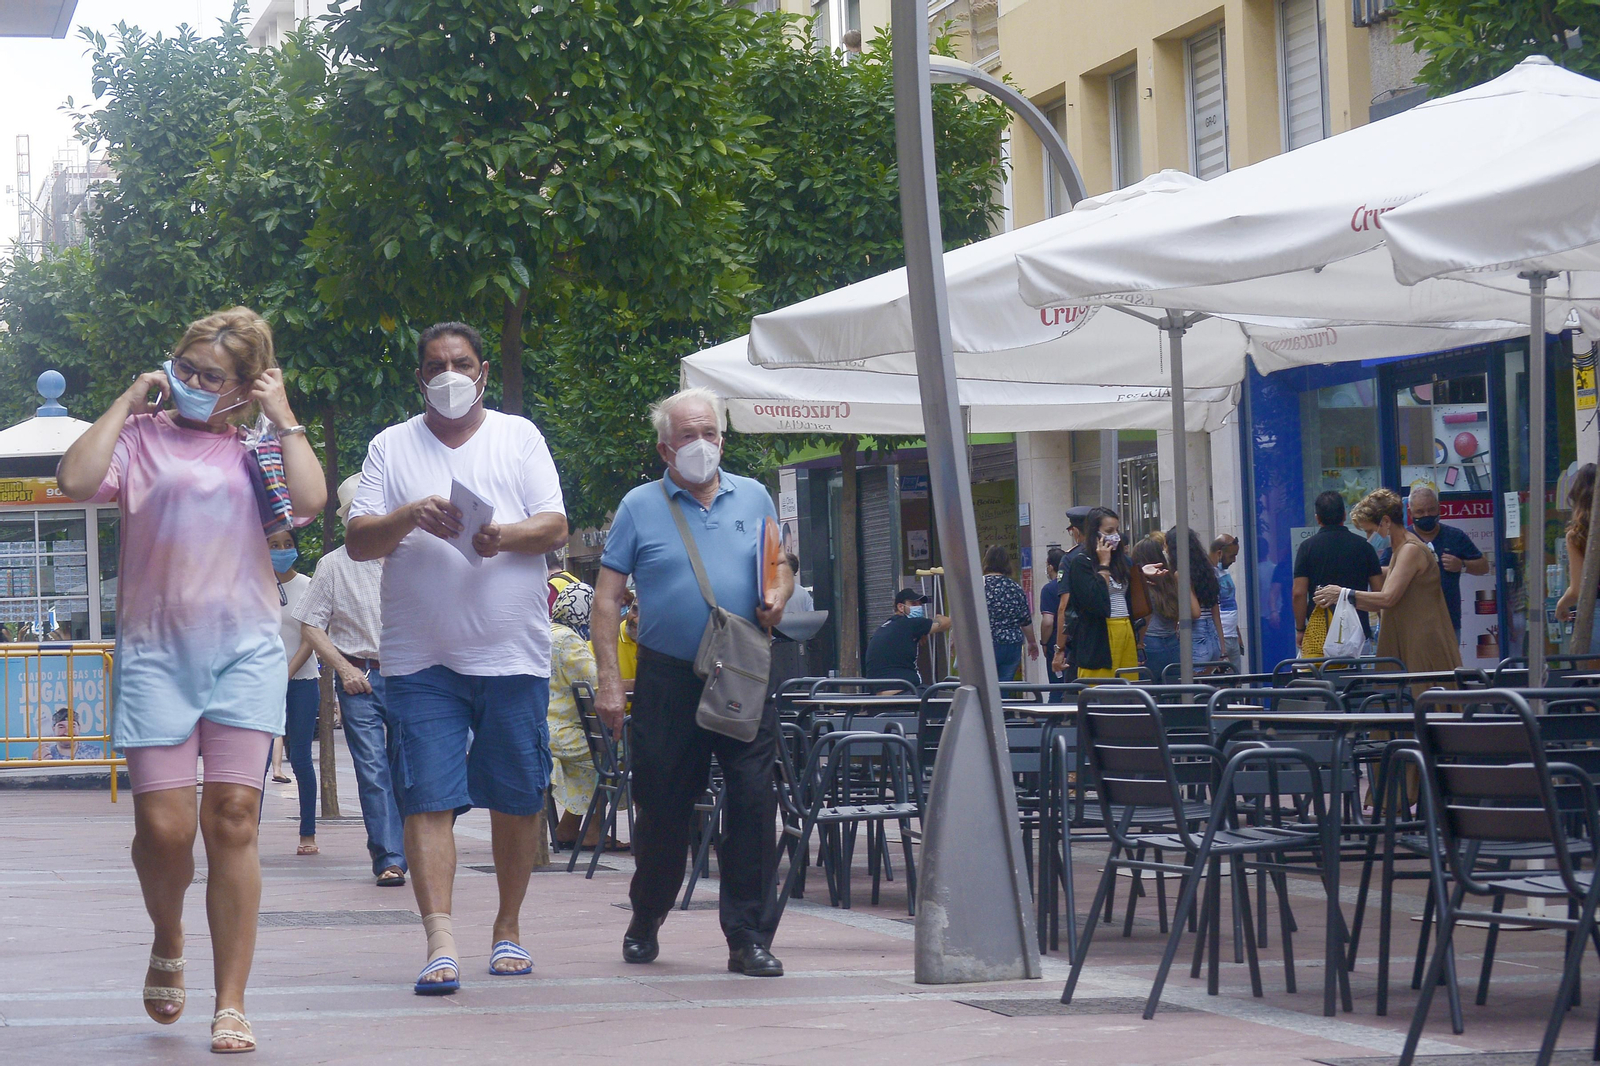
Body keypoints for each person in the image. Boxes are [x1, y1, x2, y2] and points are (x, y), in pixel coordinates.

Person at [56, 306, 327, 1053]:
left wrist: (283, 414)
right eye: (187, 367)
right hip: (155, 654)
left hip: (244, 651)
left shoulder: (260, 451)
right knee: (164, 829)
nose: (195, 383)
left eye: (213, 376)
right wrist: (128, 397)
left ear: (244, 386)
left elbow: (310, 503)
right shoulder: (140, 441)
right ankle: (167, 931)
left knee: (235, 816)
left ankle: (231, 1001)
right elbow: (74, 479)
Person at [345, 321, 568, 995]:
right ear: (420, 377)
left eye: (461, 363)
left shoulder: (518, 436)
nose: (449, 374)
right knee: (427, 798)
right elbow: (358, 541)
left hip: (512, 656)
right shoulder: (390, 446)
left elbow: (554, 524)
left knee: (516, 797)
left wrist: (502, 535)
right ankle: (439, 940)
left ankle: (508, 927)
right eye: (436, 364)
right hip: (420, 660)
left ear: (483, 373)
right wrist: (409, 514)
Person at [592, 387, 793, 977]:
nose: (700, 445)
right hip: (667, 678)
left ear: (723, 440)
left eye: (709, 433)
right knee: (662, 808)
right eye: (687, 436)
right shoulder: (638, 506)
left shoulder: (754, 496)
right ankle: (647, 912)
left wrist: (777, 595)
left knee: (755, 802)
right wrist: (610, 680)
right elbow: (606, 599)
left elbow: (778, 561)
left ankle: (748, 937)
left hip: (742, 667)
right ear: (664, 448)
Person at [295, 474, 409, 888]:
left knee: (411, 766)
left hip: (411, 677)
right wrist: (343, 669)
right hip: (360, 676)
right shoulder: (333, 565)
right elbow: (311, 625)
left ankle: (412, 842)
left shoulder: (410, 557)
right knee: (373, 768)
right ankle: (389, 856)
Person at [1314, 488, 1460, 674]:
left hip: (1422, 645)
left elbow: (1387, 598)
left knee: (1423, 698)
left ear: (1385, 522)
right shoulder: (1400, 550)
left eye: (1370, 531)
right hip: (1410, 640)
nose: (1369, 538)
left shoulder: (1410, 550)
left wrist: (1343, 593)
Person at [270, 529, 320, 857]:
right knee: (256, 760)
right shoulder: (252, 587)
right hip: (261, 686)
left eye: (288, 544)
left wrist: (286, 674)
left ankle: (308, 834)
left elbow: (311, 636)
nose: (283, 550)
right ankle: (247, 832)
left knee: (300, 757)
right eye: (274, 545)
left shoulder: (307, 585)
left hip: (301, 681)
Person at [1384, 485, 1486, 641]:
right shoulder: (1401, 539)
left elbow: (1484, 566)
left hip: (1448, 621)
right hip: (1412, 622)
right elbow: (1380, 570)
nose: (1426, 515)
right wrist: (1403, 570)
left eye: (1431, 510)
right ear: (1410, 513)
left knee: (1449, 665)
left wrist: (1462, 565)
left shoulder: (1455, 536)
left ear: (1439, 508)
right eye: (1420, 512)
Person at [547, 580, 605, 849]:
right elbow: (596, 686)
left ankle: (568, 828)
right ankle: (593, 831)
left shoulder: (547, 631)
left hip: (545, 729)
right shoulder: (569, 640)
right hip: (562, 733)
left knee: (599, 748)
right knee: (613, 751)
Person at [1294, 491, 1383, 659]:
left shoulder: (1306, 548)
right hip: (1357, 631)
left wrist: (1300, 629)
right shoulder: (1364, 547)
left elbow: (1298, 593)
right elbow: (1379, 591)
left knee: (1319, 682)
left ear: (1318, 518)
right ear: (1344, 515)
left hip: (1319, 631)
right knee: (1357, 682)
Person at [1067, 507, 1148, 679]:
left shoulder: (1123, 561)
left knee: (1129, 685)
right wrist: (1103, 565)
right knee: (1100, 687)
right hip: (1100, 634)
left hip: (1125, 626)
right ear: (1094, 533)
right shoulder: (1081, 563)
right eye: (1109, 531)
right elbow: (1093, 600)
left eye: (1117, 530)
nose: (1115, 536)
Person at [1141, 528, 1224, 683]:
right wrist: (1222, 648)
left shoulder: (1181, 574)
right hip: (1212, 637)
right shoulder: (1207, 569)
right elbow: (1215, 611)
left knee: (1190, 691)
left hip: (1195, 637)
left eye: (1166, 547)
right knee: (1202, 691)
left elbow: (1195, 612)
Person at [865, 588, 952, 690]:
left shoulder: (887, 626)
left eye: (920, 604)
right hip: (904, 691)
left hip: (879, 691)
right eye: (914, 604)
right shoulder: (910, 624)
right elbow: (947, 623)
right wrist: (939, 617)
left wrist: (920, 633)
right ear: (901, 607)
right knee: (944, 697)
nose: (919, 607)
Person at [1557, 464, 1599, 652]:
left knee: (1590, 677)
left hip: (1595, 613)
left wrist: (1561, 605)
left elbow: (1578, 589)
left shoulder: (1578, 535)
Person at [982, 545, 1038, 682]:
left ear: (986, 562)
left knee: (985, 686)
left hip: (987, 643)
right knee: (1005, 685)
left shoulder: (979, 585)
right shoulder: (1015, 588)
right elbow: (1025, 620)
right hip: (1012, 645)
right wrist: (1032, 642)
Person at [1051, 506, 1094, 680]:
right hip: (1118, 634)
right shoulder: (1111, 555)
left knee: (1076, 696)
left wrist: (1059, 649)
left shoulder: (1071, 559)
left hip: (1083, 640)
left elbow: (1064, 607)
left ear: (1075, 531)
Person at [1211, 535, 1244, 669]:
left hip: (1231, 635)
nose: (1234, 560)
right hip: (1220, 637)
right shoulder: (1210, 573)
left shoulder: (1224, 571)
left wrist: (1237, 634)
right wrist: (1221, 646)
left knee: (1236, 683)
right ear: (1220, 553)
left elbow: (1229, 602)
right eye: (1231, 556)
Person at [1039, 546, 1067, 695]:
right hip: (1075, 641)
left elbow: (1048, 622)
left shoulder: (1049, 589)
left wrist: (1044, 642)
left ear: (1051, 566)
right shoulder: (1073, 584)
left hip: (1055, 643)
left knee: (1056, 688)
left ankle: (1055, 717)